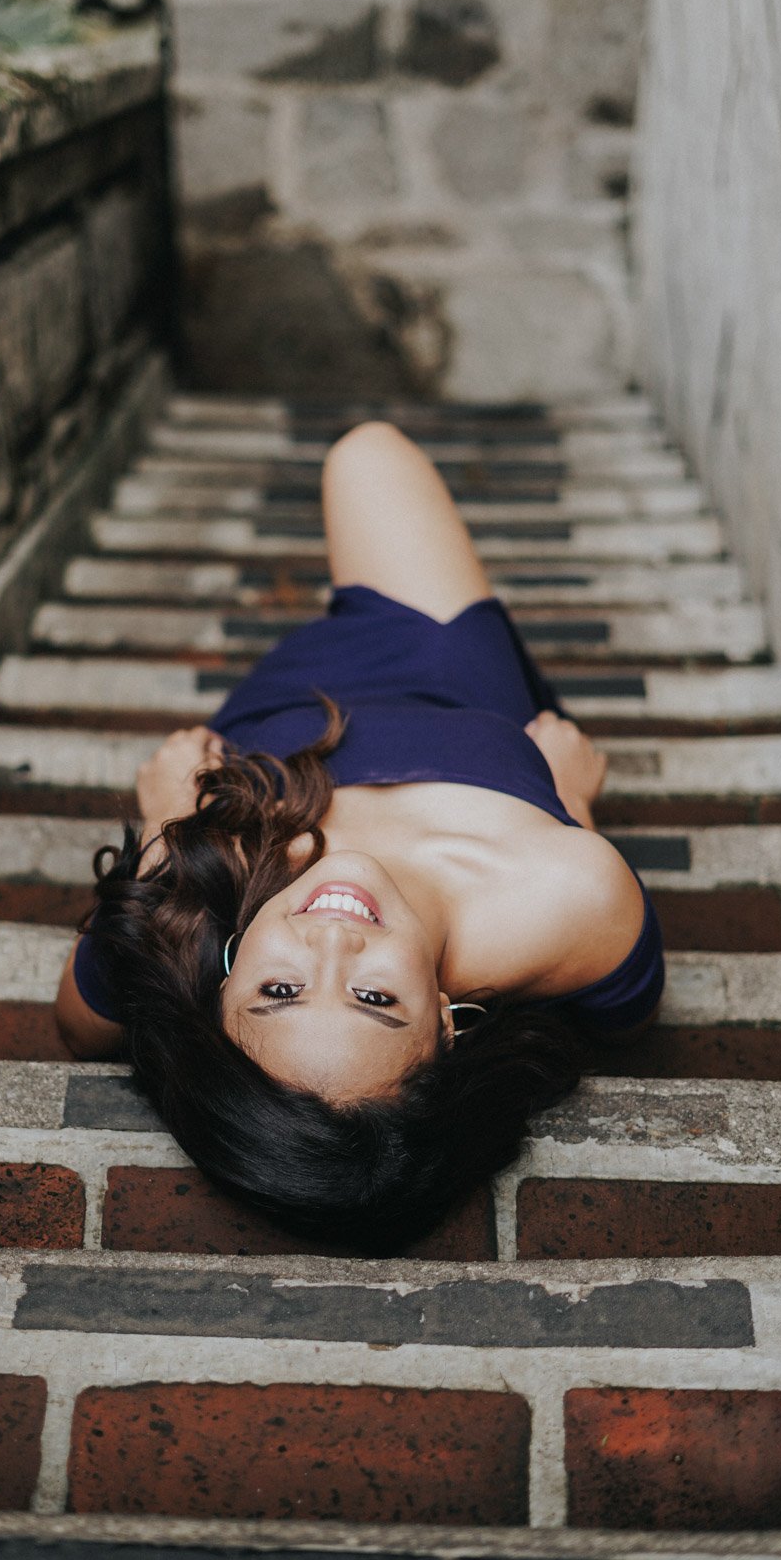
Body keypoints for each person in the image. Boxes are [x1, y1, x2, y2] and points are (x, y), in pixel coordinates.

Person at [56, 422, 664, 1252]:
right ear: (445, 1026)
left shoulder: (196, 910)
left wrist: (165, 832)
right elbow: (633, 1011)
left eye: (280, 990)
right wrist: (570, 799)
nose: (333, 942)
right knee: (371, 453)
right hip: (442, 666)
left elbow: (78, 1024)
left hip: (276, 708)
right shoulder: (567, 898)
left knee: (359, 454)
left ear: (222, 992)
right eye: (376, 1000)